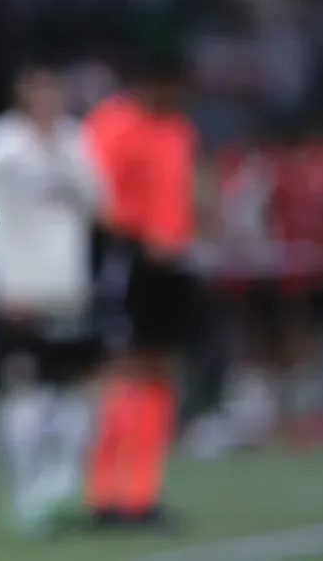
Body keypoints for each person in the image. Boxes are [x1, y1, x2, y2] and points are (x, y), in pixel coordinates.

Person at [0, 60, 102, 532]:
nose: (50, 98)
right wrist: (0, 285)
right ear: (22, 91)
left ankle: (59, 486)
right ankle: (23, 495)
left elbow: (98, 203)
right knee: (23, 390)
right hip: (18, 291)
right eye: (40, 88)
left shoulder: (76, 140)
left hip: (68, 288)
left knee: (76, 392)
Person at [82, 53, 199, 527]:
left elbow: (185, 192)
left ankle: (143, 493)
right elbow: (94, 196)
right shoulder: (112, 123)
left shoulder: (179, 130)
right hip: (127, 259)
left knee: (160, 371)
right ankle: (105, 494)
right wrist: (140, 235)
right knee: (123, 370)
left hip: (172, 265)